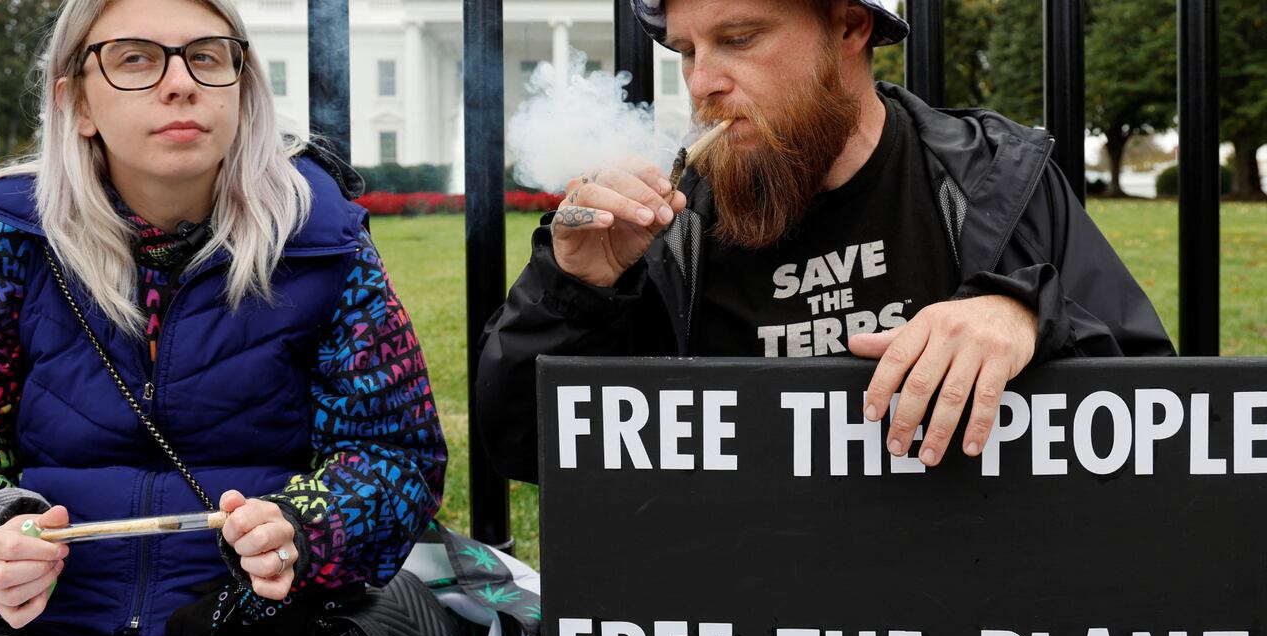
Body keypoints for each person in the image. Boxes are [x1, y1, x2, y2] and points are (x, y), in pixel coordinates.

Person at [476, 0, 1174, 482]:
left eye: (740, 39)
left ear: (848, 27)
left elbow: (1164, 421)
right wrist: (577, 291)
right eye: (688, 50)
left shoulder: (988, 178)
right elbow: (526, 449)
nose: (702, 83)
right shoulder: (669, 226)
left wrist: (1027, 315)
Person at [0, 0, 446, 636]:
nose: (180, 83)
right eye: (136, 58)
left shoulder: (321, 242)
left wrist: (301, 527)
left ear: (241, 85)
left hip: (246, 635)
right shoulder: (9, 240)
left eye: (206, 56)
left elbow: (398, 456)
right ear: (76, 101)